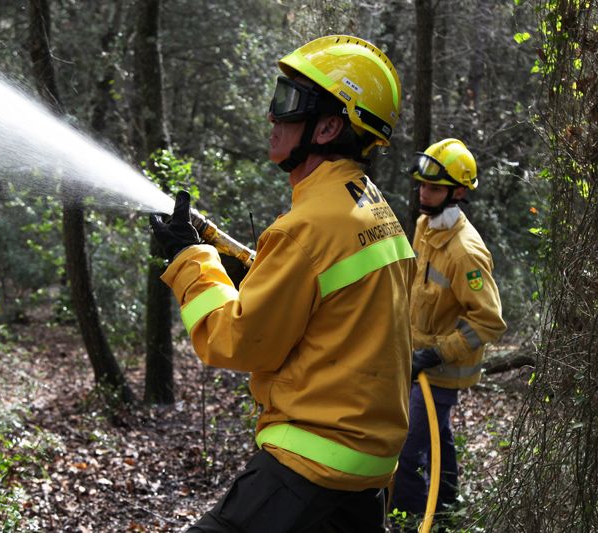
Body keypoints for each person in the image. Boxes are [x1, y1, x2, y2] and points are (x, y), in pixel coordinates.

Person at [150, 35, 414, 532]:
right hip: (368, 468)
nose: (273, 117)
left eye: (288, 103)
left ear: (330, 125)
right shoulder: (371, 208)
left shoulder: (306, 227)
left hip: (311, 463)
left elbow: (234, 340)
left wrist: (188, 259)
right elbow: (321, 294)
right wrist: (220, 249)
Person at [390, 139, 507, 526]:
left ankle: (408, 519)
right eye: (422, 185)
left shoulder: (466, 253)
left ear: (458, 192)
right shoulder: (425, 225)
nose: (424, 193)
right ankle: (446, 505)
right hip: (415, 359)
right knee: (438, 435)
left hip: (440, 370)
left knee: (407, 452)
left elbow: (488, 321)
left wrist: (436, 353)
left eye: (433, 188)